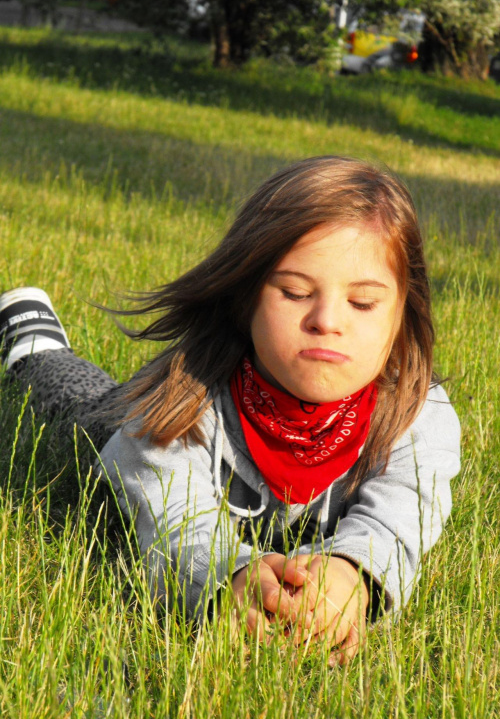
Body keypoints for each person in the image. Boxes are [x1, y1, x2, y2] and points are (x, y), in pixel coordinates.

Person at [0, 155, 460, 664]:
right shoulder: (178, 402)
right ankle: (36, 344)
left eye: (364, 303)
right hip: (111, 421)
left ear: (401, 314)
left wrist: (351, 574)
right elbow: (176, 523)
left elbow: (398, 520)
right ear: (246, 299)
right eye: (296, 292)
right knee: (73, 400)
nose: (327, 320)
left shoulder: (418, 415)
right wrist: (232, 577)